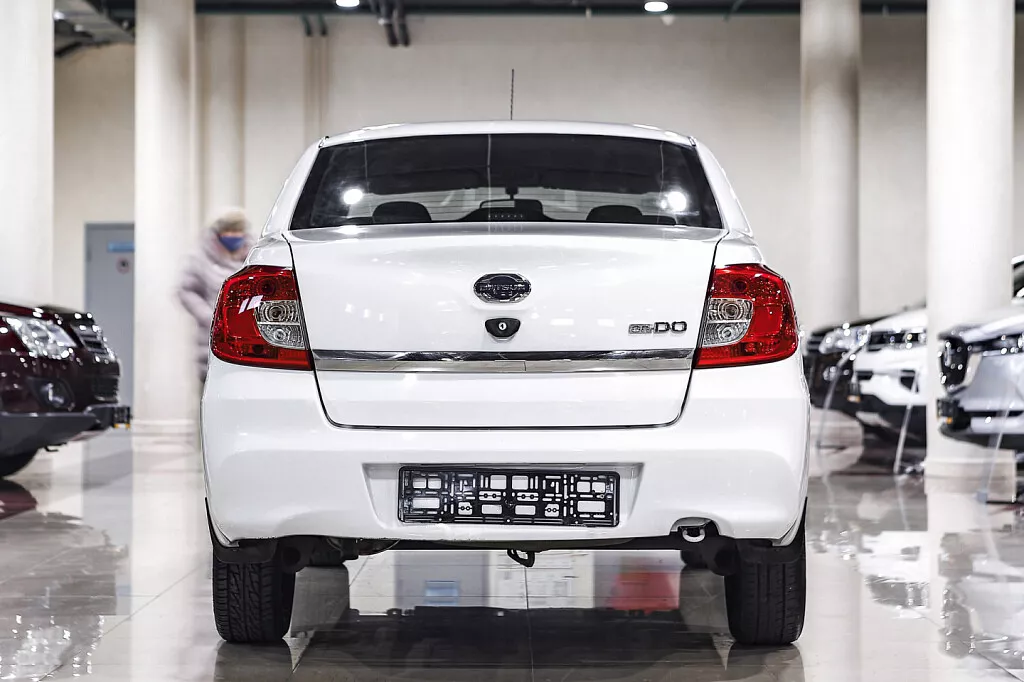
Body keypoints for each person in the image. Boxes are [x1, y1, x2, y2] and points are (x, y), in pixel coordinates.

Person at [178, 209, 254, 382]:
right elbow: (185, 290)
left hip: (248, 342)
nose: (234, 235)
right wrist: (210, 316)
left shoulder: (254, 256)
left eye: (238, 231)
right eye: (229, 231)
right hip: (210, 342)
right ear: (219, 233)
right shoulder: (200, 258)